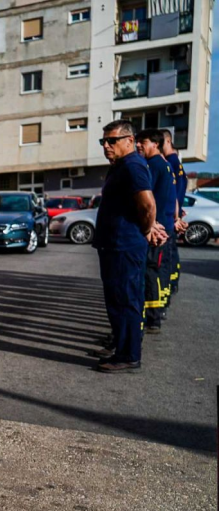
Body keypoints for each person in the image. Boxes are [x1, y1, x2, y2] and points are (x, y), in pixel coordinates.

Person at [93, 120, 166, 372]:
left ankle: (128, 355)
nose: (106, 145)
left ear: (129, 141)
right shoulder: (119, 166)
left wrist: (147, 228)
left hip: (124, 245)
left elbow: (147, 204)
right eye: (103, 141)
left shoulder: (133, 165)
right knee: (116, 299)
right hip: (113, 244)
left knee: (126, 299)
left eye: (111, 141)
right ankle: (120, 346)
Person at [137, 129, 177, 333]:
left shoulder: (153, 165)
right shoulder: (166, 166)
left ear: (155, 143)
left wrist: (151, 226)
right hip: (164, 228)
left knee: (149, 272)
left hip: (156, 231)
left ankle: (151, 318)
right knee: (155, 271)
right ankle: (154, 315)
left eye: (142, 142)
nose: (138, 145)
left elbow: (146, 200)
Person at [162, 129, 187, 300]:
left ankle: (168, 290)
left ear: (168, 142)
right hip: (174, 216)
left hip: (170, 218)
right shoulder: (176, 162)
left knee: (166, 257)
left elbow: (172, 193)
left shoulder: (170, 162)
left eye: (159, 143)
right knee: (171, 255)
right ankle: (171, 284)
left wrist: (175, 217)